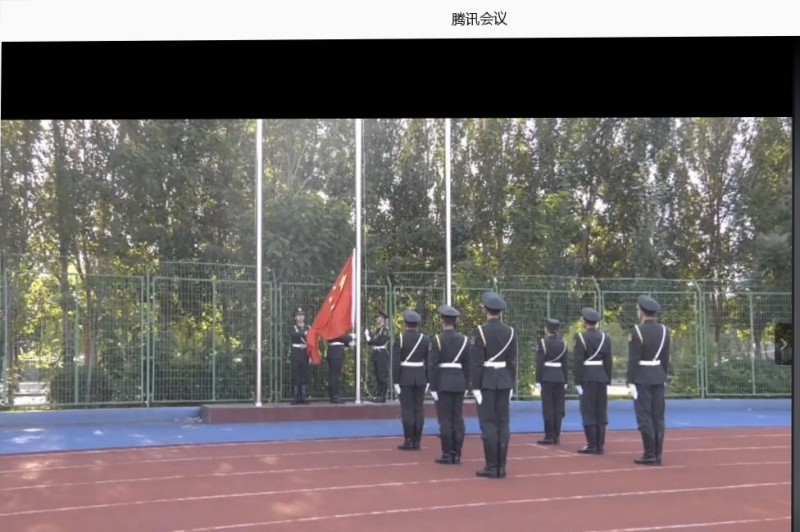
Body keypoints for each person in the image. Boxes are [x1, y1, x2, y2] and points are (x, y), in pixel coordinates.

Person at [470, 291, 517, 479]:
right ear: (501, 312)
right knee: (503, 423)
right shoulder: (510, 331)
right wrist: (512, 384)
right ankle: (501, 466)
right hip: (504, 380)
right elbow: (512, 361)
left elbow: (477, 362)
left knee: (488, 423)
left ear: (485, 310)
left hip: (488, 381)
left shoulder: (481, 331)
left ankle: (491, 465)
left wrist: (475, 386)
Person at [627, 294, 671, 466]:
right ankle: (657, 453)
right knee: (658, 417)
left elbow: (634, 359)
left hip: (642, 377)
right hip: (658, 375)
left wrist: (631, 381)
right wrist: (664, 375)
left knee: (644, 416)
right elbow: (665, 357)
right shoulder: (664, 330)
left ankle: (649, 454)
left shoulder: (637, 331)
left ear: (641, 311)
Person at [428, 304, 470, 465]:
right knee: (457, 419)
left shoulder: (437, 340)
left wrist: (433, 386)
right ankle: (457, 454)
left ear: (442, 321)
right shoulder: (464, 340)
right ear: (455, 322)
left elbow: (433, 365)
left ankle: (447, 454)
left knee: (445, 419)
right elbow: (468, 365)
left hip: (443, 383)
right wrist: (467, 384)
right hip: (459, 382)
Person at [573, 307, 613, 454]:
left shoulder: (581, 337)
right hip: (601, 376)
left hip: (587, 377)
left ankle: (592, 444)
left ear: (585, 321)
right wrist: (607, 378)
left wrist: (577, 381)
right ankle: (600, 444)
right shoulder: (605, 338)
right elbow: (608, 361)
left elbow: (578, 361)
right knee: (601, 411)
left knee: (588, 411)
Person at [392, 309, 430, 450]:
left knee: (407, 410)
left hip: (405, 377)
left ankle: (409, 440)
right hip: (420, 377)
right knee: (418, 409)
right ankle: (417, 440)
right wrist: (428, 380)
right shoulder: (425, 339)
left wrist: (395, 381)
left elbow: (396, 363)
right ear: (417, 324)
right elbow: (429, 362)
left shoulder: (400, 339)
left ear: (405, 323)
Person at [535, 318, 569, 445]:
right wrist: (565, 380)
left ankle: (549, 435)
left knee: (548, 407)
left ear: (547, 329)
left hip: (547, 377)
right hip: (560, 377)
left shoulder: (543, 343)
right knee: (559, 408)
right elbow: (565, 364)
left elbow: (540, 363)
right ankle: (557, 435)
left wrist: (538, 380)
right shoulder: (563, 344)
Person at [365, 310, 391, 403]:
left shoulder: (385, 330)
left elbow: (381, 342)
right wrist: (368, 336)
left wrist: (369, 339)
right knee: (378, 376)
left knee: (382, 376)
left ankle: (382, 396)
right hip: (376, 354)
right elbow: (372, 341)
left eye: (378, 317)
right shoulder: (378, 330)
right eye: (376, 317)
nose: (376, 319)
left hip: (381, 354)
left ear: (382, 319)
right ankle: (378, 395)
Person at [288, 308, 311, 405]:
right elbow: (294, 335)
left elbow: (312, 337)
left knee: (304, 374)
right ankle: (296, 396)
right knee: (296, 374)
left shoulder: (308, 327)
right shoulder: (293, 328)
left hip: (305, 353)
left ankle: (304, 396)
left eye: (302, 315)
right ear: (295, 318)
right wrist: (305, 333)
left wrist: (306, 333)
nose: (300, 317)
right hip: (296, 353)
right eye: (298, 315)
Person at [327, 333, 355, 404]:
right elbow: (340, 337)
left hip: (336, 353)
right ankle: (334, 396)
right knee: (334, 376)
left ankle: (335, 395)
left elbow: (341, 341)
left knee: (335, 376)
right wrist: (351, 336)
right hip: (335, 354)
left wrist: (349, 343)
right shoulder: (334, 329)